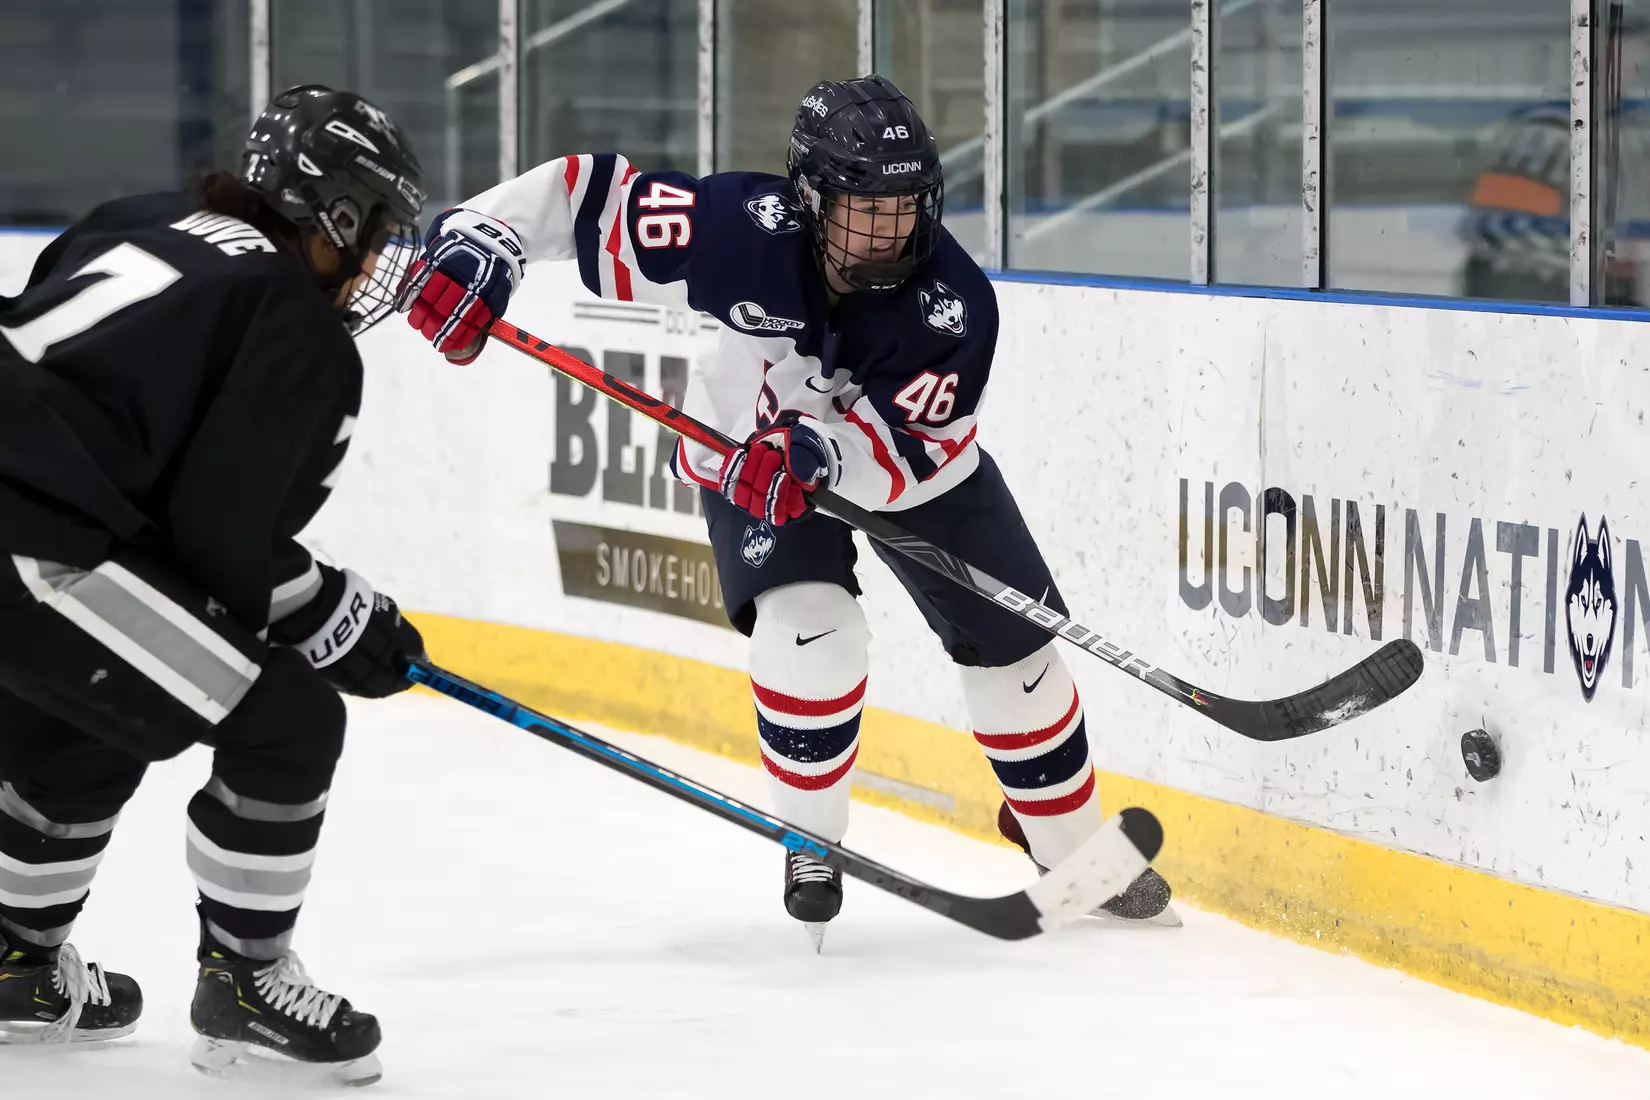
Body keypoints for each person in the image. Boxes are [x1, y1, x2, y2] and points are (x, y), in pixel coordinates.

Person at [397, 75, 1171, 941]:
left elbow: (915, 454)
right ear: (810, 198)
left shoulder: (954, 305)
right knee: (811, 633)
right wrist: (481, 237)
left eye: (908, 203)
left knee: (1020, 657)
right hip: (747, 456)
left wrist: (825, 451)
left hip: (909, 472)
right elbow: (587, 193)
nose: (895, 226)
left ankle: (1064, 844)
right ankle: (811, 836)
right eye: (868, 206)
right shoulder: (740, 230)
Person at [0, 85, 427, 1082]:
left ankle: (17, 963)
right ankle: (245, 986)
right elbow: (223, 542)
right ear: (335, 214)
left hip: (31, 519)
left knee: (108, 700)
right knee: (288, 719)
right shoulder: (295, 322)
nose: (372, 265)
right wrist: (339, 616)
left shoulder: (138, 218)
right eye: (374, 231)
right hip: (33, 540)